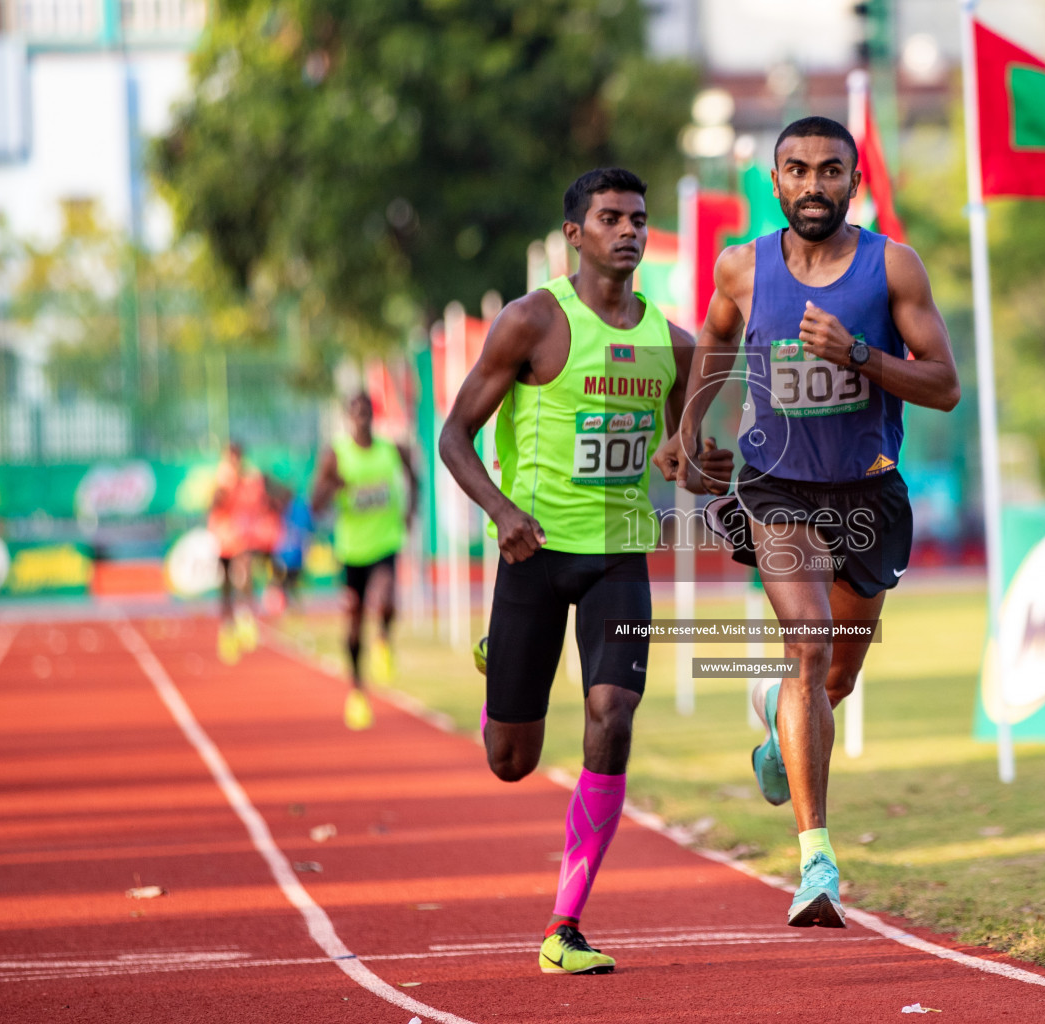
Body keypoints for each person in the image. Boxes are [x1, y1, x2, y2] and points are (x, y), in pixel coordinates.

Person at [655, 117, 960, 929]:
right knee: (810, 644)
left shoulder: (892, 266)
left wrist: (860, 356)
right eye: (797, 170)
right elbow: (716, 339)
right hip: (775, 485)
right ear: (777, 181)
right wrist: (690, 430)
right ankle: (816, 861)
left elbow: (944, 386)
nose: (813, 185)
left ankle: (770, 716)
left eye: (830, 171)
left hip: (867, 492)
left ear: (852, 183)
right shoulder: (741, 266)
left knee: (836, 678)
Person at [438, 167, 732, 975]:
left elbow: (689, 459)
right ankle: (502, 658)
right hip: (533, 557)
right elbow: (454, 436)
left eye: (638, 219)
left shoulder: (675, 346)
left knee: (613, 714)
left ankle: (565, 924)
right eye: (611, 218)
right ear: (576, 233)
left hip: (618, 558)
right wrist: (502, 514)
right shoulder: (530, 324)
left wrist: (703, 464)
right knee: (512, 762)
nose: (629, 231)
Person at [310, 393, 419, 731]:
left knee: (385, 599)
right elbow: (315, 504)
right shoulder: (336, 455)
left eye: (366, 413)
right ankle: (357, 690)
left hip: (385, 542)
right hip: (351, 550)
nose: (361, 420)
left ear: (373, 415)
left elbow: (415, 479)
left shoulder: (391, 450)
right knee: (354, 619)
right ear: (348, 417)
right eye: (355, 414)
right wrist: (332, 485)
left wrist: (410, 511)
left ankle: (384, 637)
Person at [206, 441, 270, 664]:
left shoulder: (250, 480)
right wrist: (224, 488)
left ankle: (246, 618)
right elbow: (213, 504)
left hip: (241, 538)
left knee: (244, 573)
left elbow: (259, 504)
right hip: (222, 538)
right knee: (225, 586)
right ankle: (227, 629)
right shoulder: (222, 478)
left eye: (236, 457)